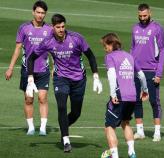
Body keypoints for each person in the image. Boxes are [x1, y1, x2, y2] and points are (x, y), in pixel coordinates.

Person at [27, 14, 103, 152]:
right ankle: (66, 140)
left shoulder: (76, 38)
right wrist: (30, 78)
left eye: (63, 26)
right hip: (60, 78)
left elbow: (90, 56)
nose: (61, 29)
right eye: (58, 27)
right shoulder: (48, 41)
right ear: (52, 27)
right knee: (61, 106)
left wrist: (96, 76)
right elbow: (31, 58)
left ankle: (63, 127)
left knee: (76, 112)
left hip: (79, 79)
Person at [5, 1, 52, 136]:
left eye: (43, 13)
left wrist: (56, 67)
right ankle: (31, 127)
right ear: (33, 12)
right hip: (27, 69)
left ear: (45, 14)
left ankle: (43, 128)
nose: (40, 15)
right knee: (28, 99)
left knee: (43, 98)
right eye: (38, 12)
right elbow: (17, 49)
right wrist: (10, 68)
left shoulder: (49, 30)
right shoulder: (24, 28)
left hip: (43, 69)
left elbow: (53, 49)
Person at [101, 33, 149, 158]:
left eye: (105, 45)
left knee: (109, 126)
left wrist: (112, 94)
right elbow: (142, 75)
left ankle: (114, 155)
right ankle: (131, 152)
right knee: (125, 122)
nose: (104, 48)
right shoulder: (129, 56)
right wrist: (144, 90)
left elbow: (112, 75)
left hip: (119, 95)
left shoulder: (110, 57)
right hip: (132, 96)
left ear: (111, 44)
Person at [130, 3, 164, 142]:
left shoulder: (157, 28)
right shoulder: (135, 28)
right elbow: (132, 49)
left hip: (152, 70)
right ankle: (140, 131)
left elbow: (162, 50)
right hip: (137, 70)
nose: (142, 18)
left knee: (153, 101)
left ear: (150, 13)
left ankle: (157, 132)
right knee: (136, 100)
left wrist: (159, 73)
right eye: (140, 16)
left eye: (145, 15)